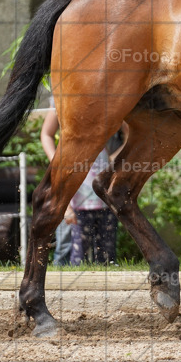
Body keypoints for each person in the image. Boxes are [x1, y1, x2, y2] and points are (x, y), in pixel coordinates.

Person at [68, 128, 124, 266]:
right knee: (80, 254)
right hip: (81, 209)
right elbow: (65, 182)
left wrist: (129, 136)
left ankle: (107, 275)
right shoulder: (74, 152)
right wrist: (67, 209)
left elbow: (115, 160)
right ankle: (77, 281)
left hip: (105, 207)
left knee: (107, 254)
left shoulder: (103, 150)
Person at [39, 98, 73, 266]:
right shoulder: (61, 96)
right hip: (68, 168)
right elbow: (46, 134)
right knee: (66, 240)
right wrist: (57, 163)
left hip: (94, 172)